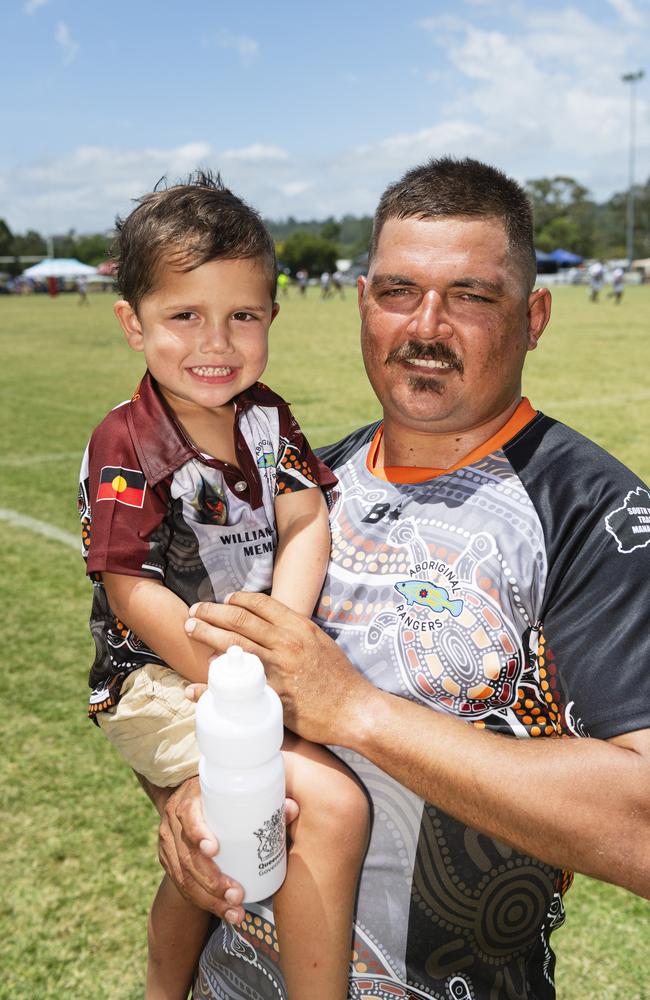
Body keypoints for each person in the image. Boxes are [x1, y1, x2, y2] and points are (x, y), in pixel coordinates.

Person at [160, 157, 650, 1000]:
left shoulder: (592, 511)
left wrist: (358, 711)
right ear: (362, 303)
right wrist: (184, 799)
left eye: (471, 296)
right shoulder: (300, 484)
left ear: (533, 316)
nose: (426, 326)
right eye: (397, 292)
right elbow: (200, 682)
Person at [78, 171, 369, 1000]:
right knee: (323, 804)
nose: (217, 342)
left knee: (217, 848)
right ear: (132, 324)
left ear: (271, 317)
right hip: (156, 677)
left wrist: (284, 630)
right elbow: (131, 586)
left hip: (244, 665)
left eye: (242, 315)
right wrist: (240, 676)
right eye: (184, 316)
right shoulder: (125, 439)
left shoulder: (267, 417)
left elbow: (306, 518)